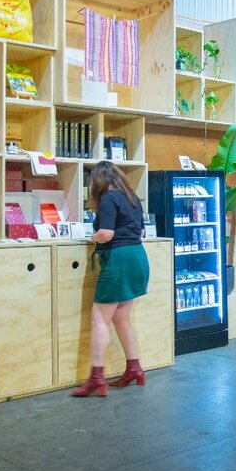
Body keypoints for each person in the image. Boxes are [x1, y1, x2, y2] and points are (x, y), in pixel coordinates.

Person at [72, 161, 150, 397]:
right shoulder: (132, 198)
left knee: (99, 319)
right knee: (122, 317)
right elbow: (142, 231)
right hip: (137, 257)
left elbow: (106, 234)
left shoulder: (108, 198)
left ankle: (96, 377)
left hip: (119, 260)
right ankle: (134, 368)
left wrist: (93, 237)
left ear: (97, 181)